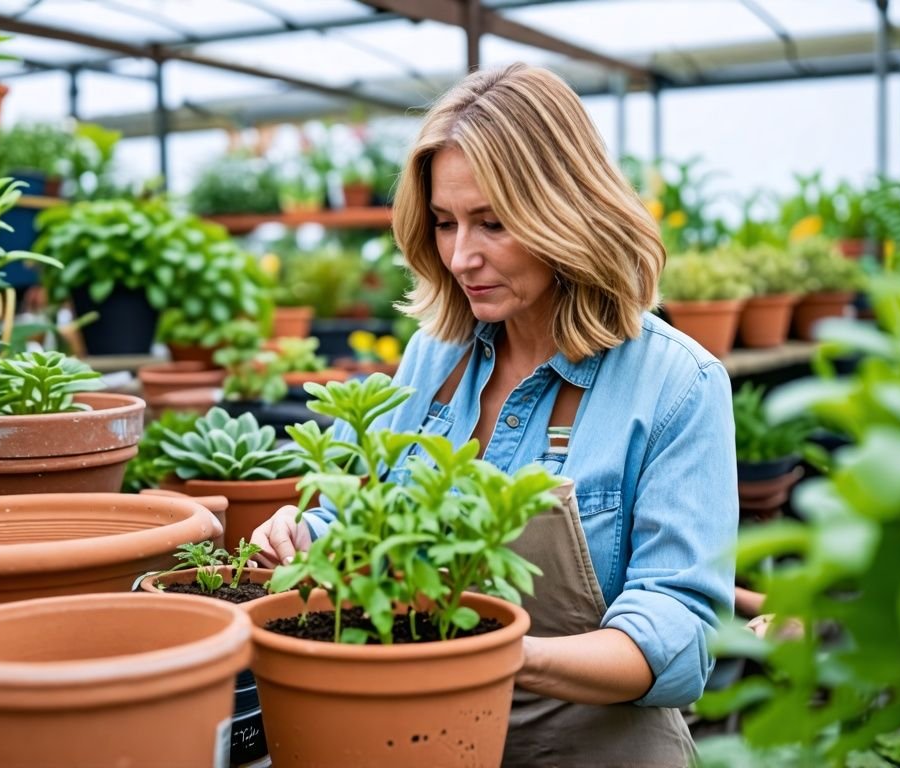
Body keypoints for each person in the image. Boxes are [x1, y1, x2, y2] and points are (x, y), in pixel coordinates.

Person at [250, 62, 737, 767]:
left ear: (567, 212)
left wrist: (500, 654)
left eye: (493, 223)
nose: (460, 256)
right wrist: (309, 532)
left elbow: (682, 635)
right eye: (445, 223)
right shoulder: (432, 357)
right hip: (418, 738)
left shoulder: (677, 383)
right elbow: (373, 511)